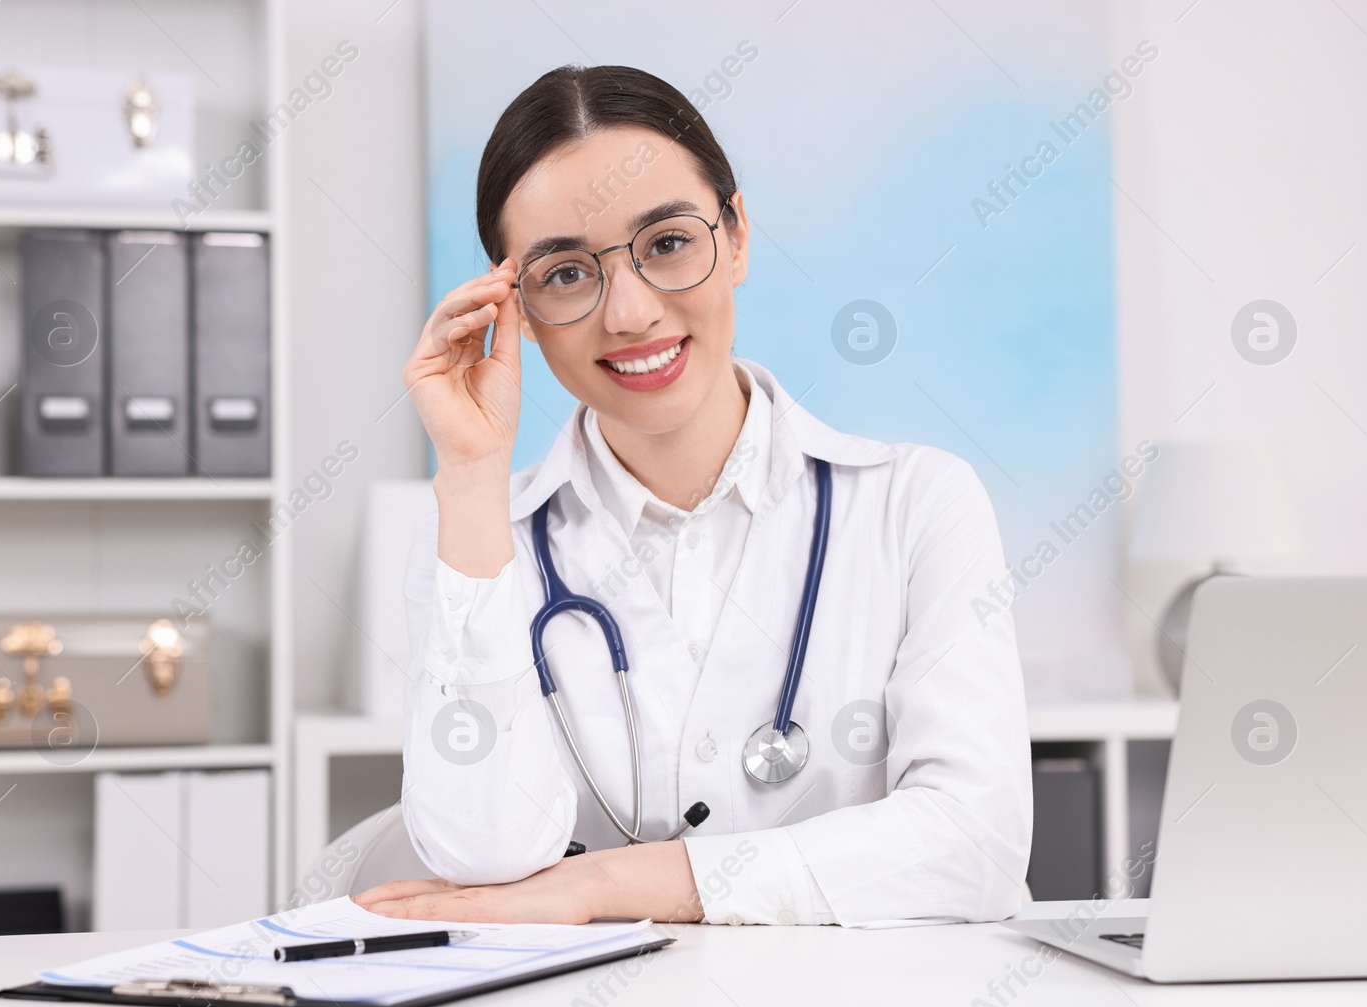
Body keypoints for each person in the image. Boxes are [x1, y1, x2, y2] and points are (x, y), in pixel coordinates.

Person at [354, 65, 1031, 927]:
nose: (631, 313)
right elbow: (482, 860)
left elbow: (975, 842)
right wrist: (475, 472)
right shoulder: (479, 537)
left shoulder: (917, 504)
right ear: (511, 306)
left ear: (737, 235)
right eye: (567, 274)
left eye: (667, 243)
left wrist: (607, 884)